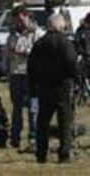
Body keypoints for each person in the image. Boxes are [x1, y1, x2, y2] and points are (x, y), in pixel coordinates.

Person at [27, 12, 78, 164]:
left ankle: (41, 154)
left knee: (42, 122)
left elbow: (31, 67)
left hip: (44, 87)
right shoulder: (66, 43)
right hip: (62, 87)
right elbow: (72, 63)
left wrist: (33, 87)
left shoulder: (39, 43)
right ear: (60, 25)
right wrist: (74, 78)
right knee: (64, 122)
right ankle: (64, 154)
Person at [4, 5, 42, 149]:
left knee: (33, 107)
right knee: (16, 108)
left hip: (31, 75)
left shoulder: (37, 34)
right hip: (15, 75)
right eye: (16, 20)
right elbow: (6, 55)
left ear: (27, 17)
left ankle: (33, 137)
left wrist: (27, 52)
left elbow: (41, 54)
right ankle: (15, 137)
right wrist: (6, 70)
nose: (18, 23)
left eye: (21, 19)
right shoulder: (11, 36)